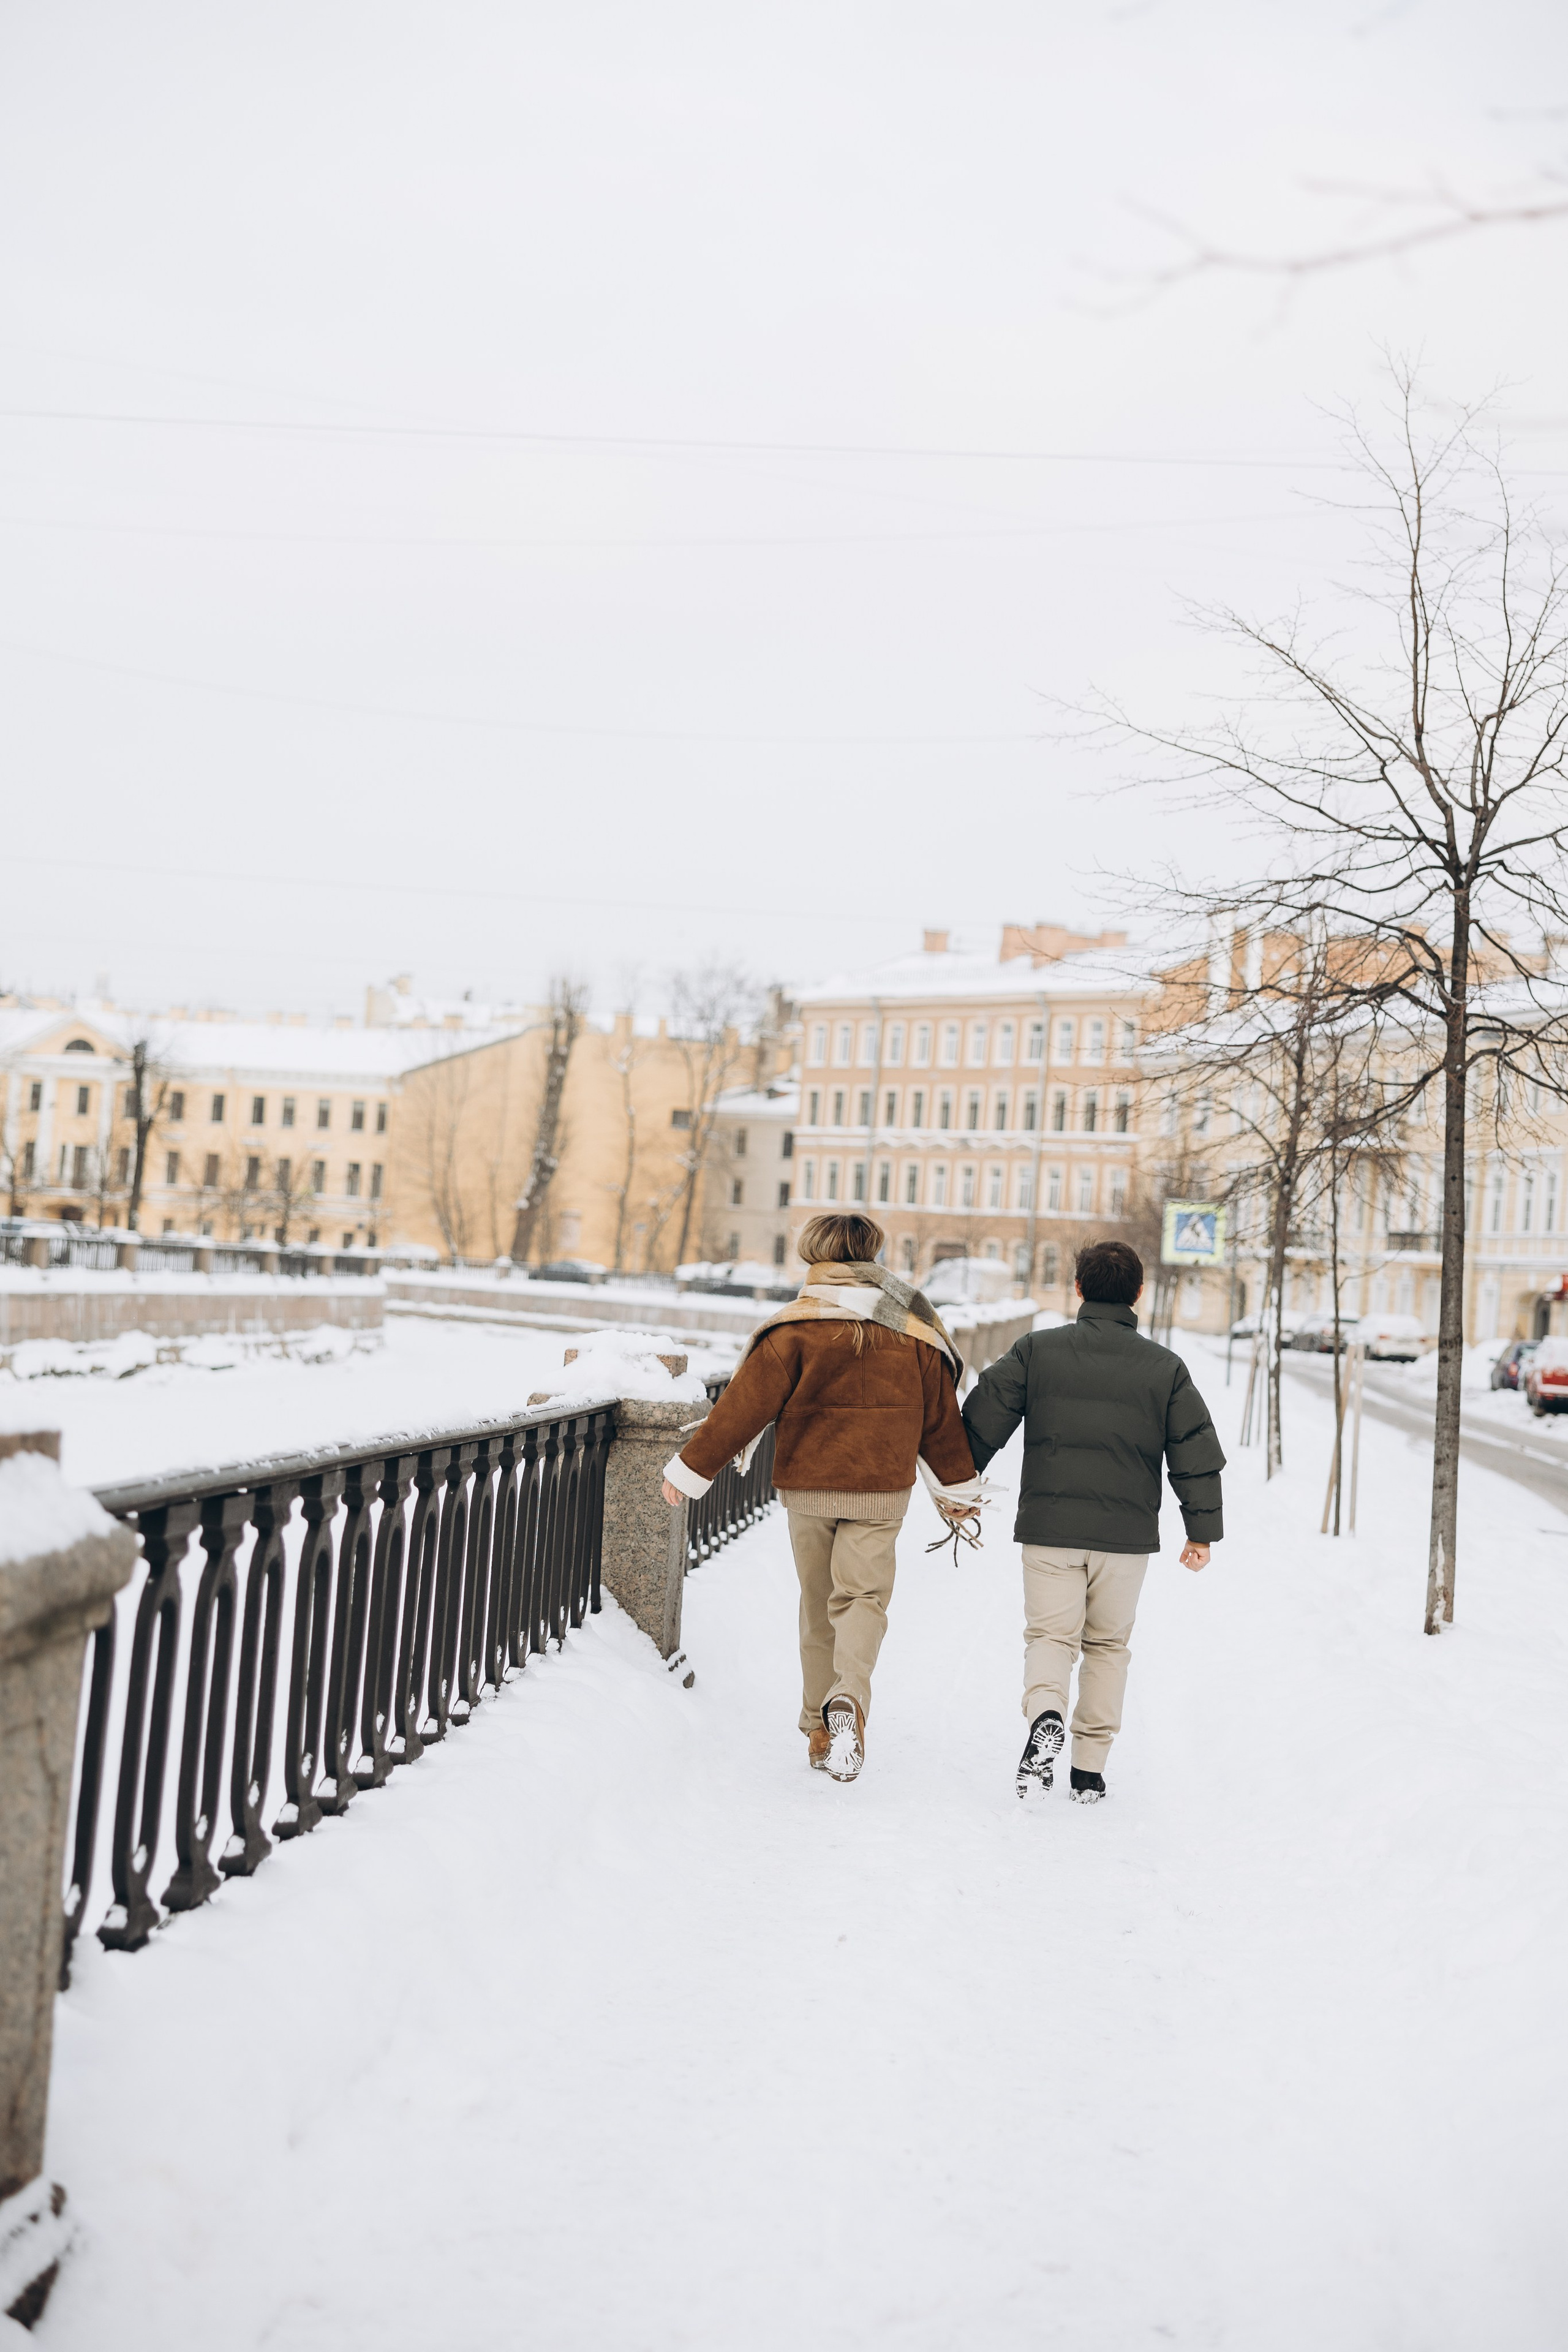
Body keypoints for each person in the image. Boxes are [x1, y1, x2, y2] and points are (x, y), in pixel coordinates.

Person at [660, 1212, 981, 1782]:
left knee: (817, 1607)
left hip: (808, 1486)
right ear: (871, 1256)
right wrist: (958, 1489)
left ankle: (818, 1729)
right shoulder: (915, 1331)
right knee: (862, 1600)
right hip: (882, 1488)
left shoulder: (792, 1329)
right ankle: (848, 1699)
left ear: (814, 1254)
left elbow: (742, 1409)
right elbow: (941, 1421)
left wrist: (691, 1470)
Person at [962, 1238, 1224, 1804]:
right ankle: (1088, 1771)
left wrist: (959, 1484)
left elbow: (983, 1416)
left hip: (1050, 1530)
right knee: (1107, 1646)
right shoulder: (1166, 1368)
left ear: (1079, 1287)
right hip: (1125, 1540)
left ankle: (1046, 1714)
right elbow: (1195, 1450)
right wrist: (1201, 1531)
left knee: (1050, 1637)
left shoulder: (1038, 1350)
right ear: (1139, 1293)